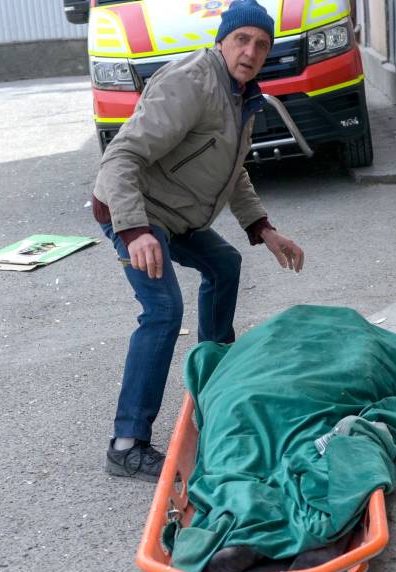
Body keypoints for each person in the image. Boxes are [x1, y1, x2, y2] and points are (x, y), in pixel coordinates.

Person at [91, 0, 305, 482]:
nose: (251, 51)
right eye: (241, 40)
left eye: (261, 43)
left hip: (175, 214)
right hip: (134, 210)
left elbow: (233, 170)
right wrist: (134, 230)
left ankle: (215, 378)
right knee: (164, 310)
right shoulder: (190, 82)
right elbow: (120, 157)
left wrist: (263, 229)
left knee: (224, 264)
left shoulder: (243, 93)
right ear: (222, 41)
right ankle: (126, 444)